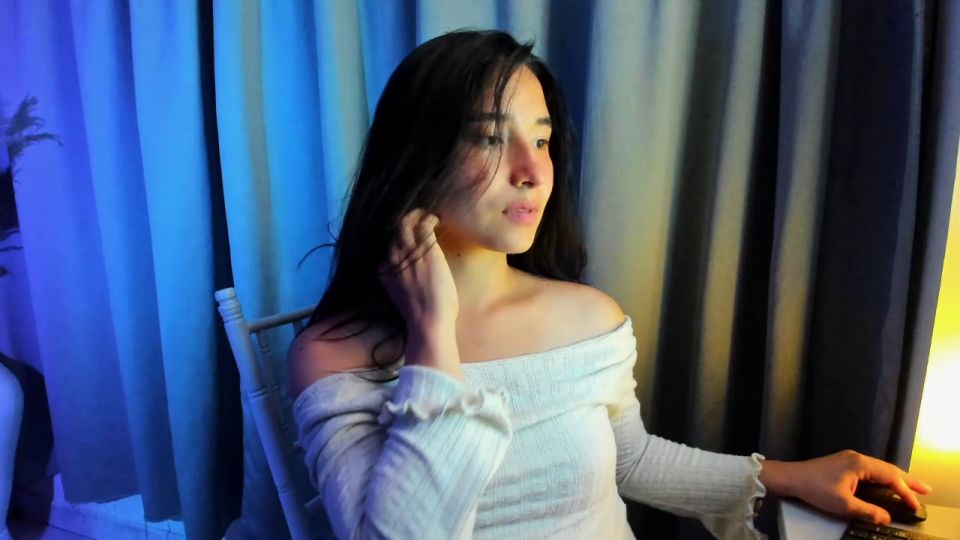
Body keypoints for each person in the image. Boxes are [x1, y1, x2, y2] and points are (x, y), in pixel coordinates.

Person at [288, 30, 931, 539]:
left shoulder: (588, 318)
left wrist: (791, 477)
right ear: (415, 155)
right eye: (490, 137)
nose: (533, 171)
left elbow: (633, 460)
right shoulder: (332, 357)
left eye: (542, 141)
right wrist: (432, 334)